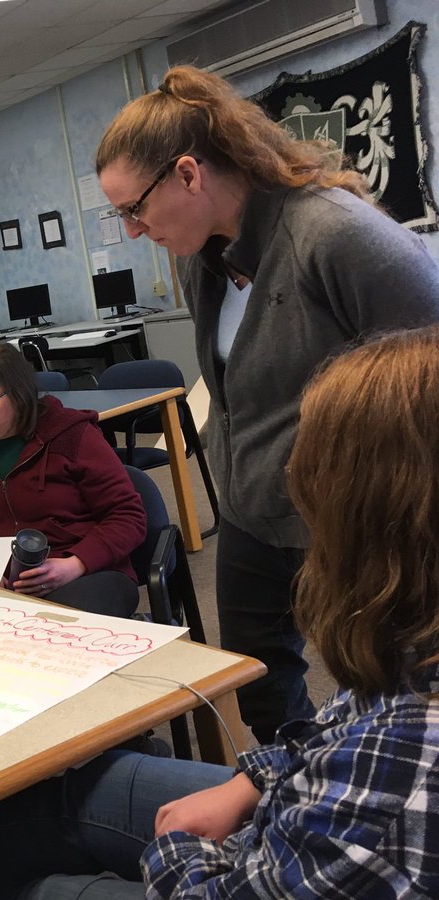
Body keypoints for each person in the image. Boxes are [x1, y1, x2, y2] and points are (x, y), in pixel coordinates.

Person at [0, 327, 439, 900]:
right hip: (286, 798)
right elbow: (335, 731)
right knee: (66, 795)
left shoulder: (409, 759)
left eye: (312, 478)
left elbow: (233, 886)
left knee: (37, 885)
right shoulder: (407, 660)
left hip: (234, 858)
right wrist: (250, 783)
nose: (291, 487)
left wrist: (177, 842)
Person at [95, 64, 439, 742]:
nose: (132, 230)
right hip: (253, 511)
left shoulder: (334, 235)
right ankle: (306, 792)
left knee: (385, 691)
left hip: (351, 520)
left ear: (188, 174)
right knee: (257, 678)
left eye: (134, 208)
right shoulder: (202, 260)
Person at [0, 344, 145, 618]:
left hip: (83, 571)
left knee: (56, 634)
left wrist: (76, 563)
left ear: (18, 396)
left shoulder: (72, 435)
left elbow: (128, 516)